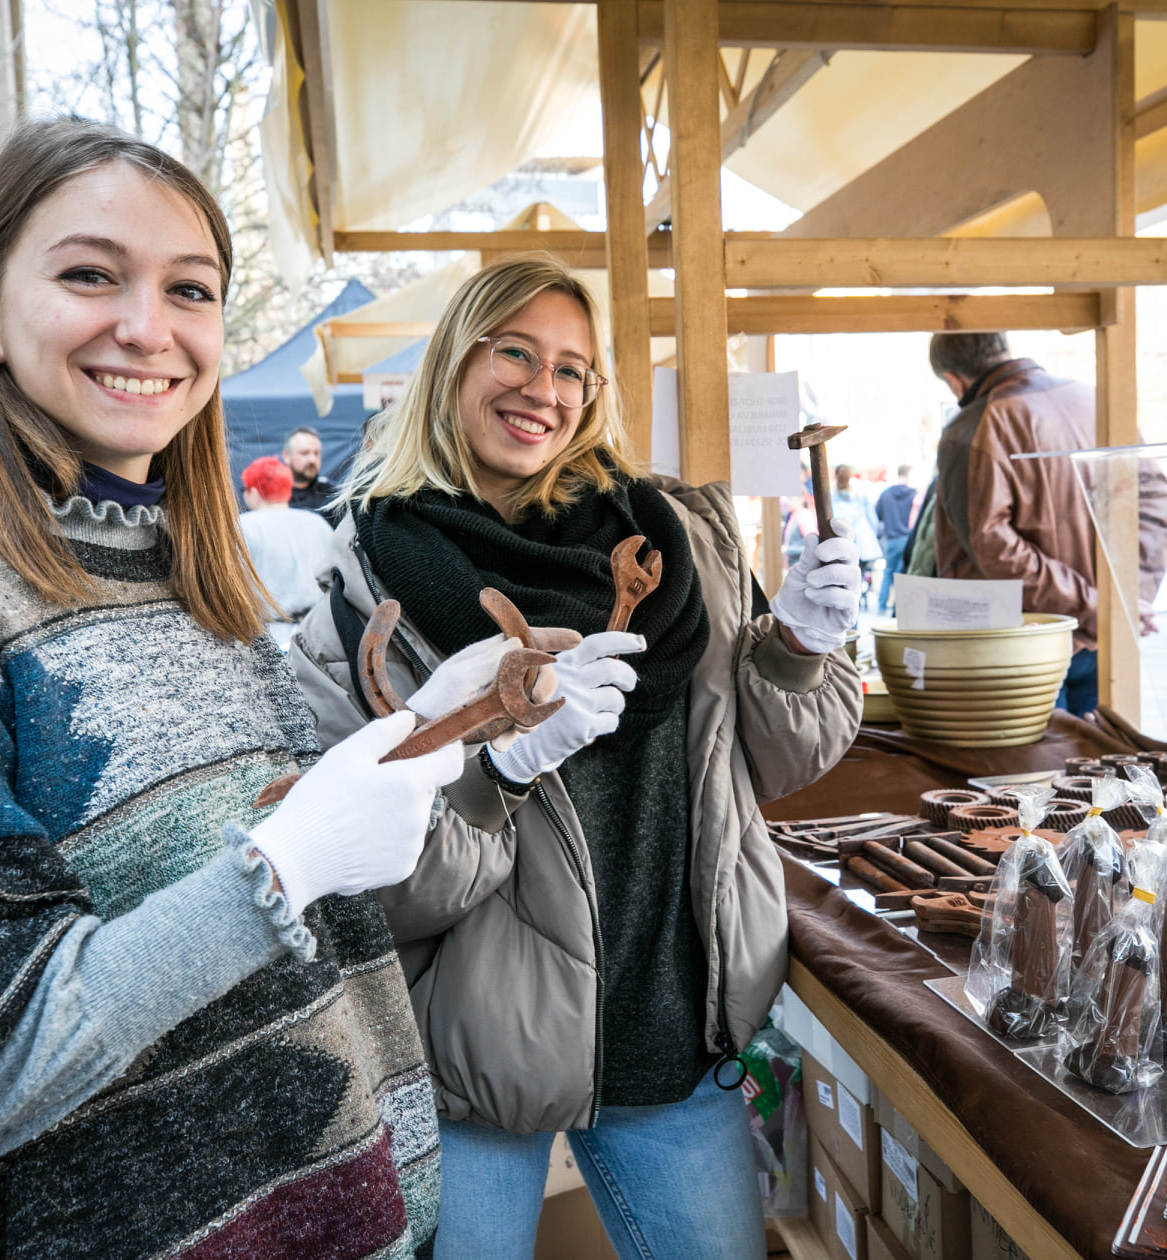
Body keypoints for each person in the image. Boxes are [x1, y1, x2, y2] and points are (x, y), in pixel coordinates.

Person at [0, 119, 516, 1260]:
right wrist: (275, 872)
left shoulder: (192, 576)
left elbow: (263, 898)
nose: (147, 327)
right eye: (88, 275)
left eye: (191, 289)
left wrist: (456, 736)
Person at [289, 255, 863, 1260]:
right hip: (472, 1068)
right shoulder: (363, 580)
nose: (541, 390)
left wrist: (802, 648)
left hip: (675, 1035)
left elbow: (766, 763)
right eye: (514, 351)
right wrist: (492, 773)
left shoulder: (680, 538)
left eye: (571, 369)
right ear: (455, 363)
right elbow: (367, 888)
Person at [926, 332, 1167, 716]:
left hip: (1026, 643)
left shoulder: (973, 426)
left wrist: (1106, 605)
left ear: (954, 380)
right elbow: (1155, 500)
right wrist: (1127, 600)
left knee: (1032, 771)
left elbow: (993, 547)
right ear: (1001, 348)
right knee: (1103, 766)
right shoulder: (1096, 401)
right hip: (1105, 636)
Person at [239, 453, 333, 646]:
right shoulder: (316, 523)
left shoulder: (243, 527)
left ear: (254, 492)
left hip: (267, 641)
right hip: (318, 639)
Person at [832, 462, 882, 613]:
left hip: (841, 544)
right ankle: (855, 610)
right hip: (862, 545)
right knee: (857, 580)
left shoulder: (832, 496)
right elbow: (873, 521)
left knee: (843, 581)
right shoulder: (860, 496)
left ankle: (847, 611)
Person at [875, 463, 917, 613]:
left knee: (888, 572)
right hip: (907, 539)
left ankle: (881, 605)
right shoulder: (913, 495)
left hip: (891, 539)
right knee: (903, 574)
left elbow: (878, 516)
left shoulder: (885, 494)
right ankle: (898, 607)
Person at [281, 424, 334, 512]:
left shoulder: (331, 495)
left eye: (316, 453)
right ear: (286, 456)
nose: (312, 459)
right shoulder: (271, 494)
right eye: (304, 453)